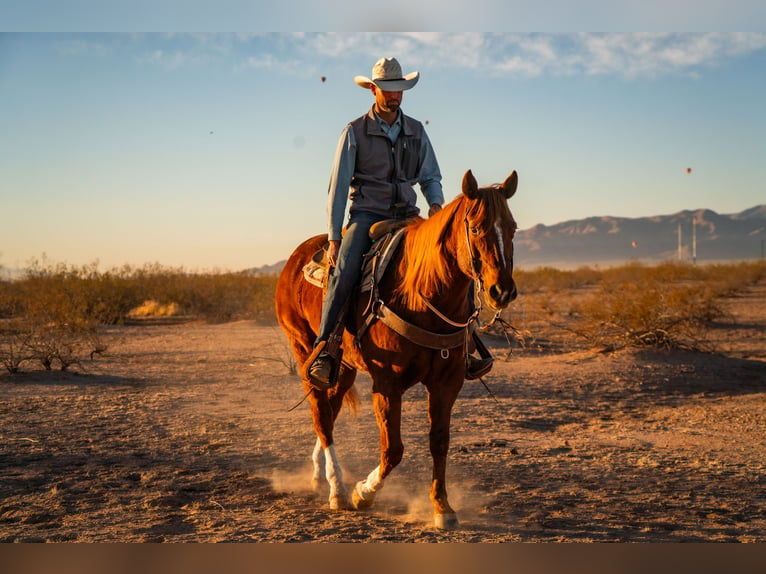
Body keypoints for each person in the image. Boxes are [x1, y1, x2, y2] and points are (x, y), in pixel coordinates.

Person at [308, 56, 492, 389]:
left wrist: (435, 202)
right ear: (374, 90)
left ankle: (467, 344)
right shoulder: (354, 132)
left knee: (451, 264)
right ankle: (326, 347)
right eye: (389, 90)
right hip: (367, 215)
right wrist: (335, 236)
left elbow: (431, 174)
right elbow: (337, 188)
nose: (395, 95)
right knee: (344, 271)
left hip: (409, 216)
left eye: (400, 89)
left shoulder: (416, 130)